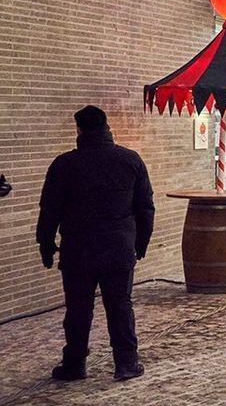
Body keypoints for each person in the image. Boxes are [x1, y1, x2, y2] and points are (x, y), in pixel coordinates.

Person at [37, 105, 154, 382]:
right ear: (107, 127)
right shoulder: (130, 160)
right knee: (120, 306)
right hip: (119, 247)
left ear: (79, 129)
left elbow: (50, 209)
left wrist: (45, 244)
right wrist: (141, 243)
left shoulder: (64, 164)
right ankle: (126, 362)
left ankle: (74, 363)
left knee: (78, 309)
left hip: (78, 249)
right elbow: (145, 207)